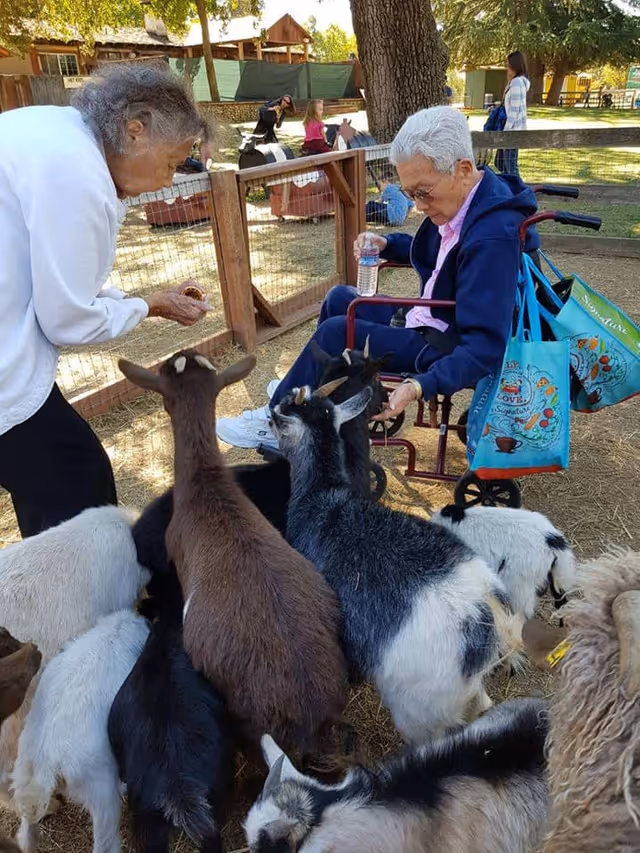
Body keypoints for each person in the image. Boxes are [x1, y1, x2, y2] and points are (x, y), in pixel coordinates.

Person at [216, 106, 540, 450]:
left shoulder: (492, 237)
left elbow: (486, 348)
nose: (417, 206)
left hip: (443, 344)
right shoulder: (473, 199)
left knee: (337, 330)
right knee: (340, 298)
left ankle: (280, 419)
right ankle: (319, 391)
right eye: (410, 193)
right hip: (432, 319)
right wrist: (389, 244)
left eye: (422, 192)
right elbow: (443, 253)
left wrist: (419, 386)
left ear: (461, 169)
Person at [0, 64, 210, 538]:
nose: (168, 181)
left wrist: (147, 302)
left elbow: (61, 285)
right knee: (77, 482)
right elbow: (67, 319)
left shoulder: (56, 130)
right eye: (172, 163)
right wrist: (146, 307)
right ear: (135, 130)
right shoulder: (79, 172)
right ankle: (82, 603)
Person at [496, 50, 529, 176]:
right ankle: (509, 189)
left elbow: (514, 110)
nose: (506, 67)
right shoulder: (515, 82)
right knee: (501, 163)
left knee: (510, 167)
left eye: (508, 64)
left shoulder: (516, 83)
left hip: (512, 131)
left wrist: (506, 131)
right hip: (513, 129)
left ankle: (517, 192)